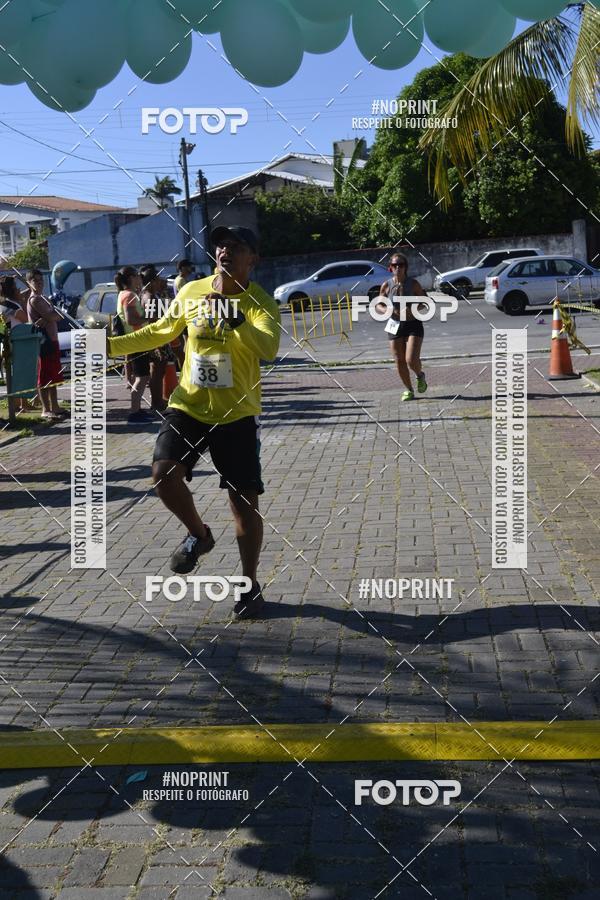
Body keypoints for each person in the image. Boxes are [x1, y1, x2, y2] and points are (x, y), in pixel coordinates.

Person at [107, 226, 281, 619]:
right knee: (162, 474)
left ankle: (249, 585)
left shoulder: (260, 303)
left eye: (235, 246)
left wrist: (232, 315)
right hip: (188, 405)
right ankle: (200, 536)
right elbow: (161, 331)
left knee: (243, 503)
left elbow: (268, 348)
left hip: (236, 413)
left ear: (252, 258)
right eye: (220, 245)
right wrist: (108, 345)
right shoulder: (191, 291)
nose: (225, 251)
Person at [377, 253, 428, 401]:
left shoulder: (413, 284)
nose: (398, 267)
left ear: (406, 267)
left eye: (401, 265)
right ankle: (409, 390)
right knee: (399, 360)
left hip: (413, 324)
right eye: (394, 265)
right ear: (390, 268)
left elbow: (426, 302)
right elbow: (378, 304)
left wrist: (413, 309)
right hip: (395, 324)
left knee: (410, 360)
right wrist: (388, 310)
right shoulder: (386, 285)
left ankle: (420, 375)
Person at [26, 269, 65, 420]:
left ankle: (55, 406)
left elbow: (57, 315)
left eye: (41, 280)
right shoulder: (35, 299)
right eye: (35, 281)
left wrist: (52, 316)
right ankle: (46, 408)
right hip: (44, 341)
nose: (39, 283)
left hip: (52, 340)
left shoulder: (43, 298)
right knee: (44, 376)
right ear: (29, 283)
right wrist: (52, 316)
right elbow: (54, 315)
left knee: (53, 376)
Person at [115, 266, 152, 424]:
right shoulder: (129, 295)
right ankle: (134, 413)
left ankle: (137, 409)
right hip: (136, 341)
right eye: (137, 275)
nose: (139, 277)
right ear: (130, 278)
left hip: (135, 341)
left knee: (142, 376)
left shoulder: (125, 294)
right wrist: (148, 318)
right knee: (142, 377)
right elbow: (130, 320)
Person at [139, 264, 170, 413]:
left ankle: (158, 400)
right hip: (155, 338)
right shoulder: (149, 297)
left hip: (155, 338)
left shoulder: (147, 294)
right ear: (151, 281)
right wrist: (157, 344)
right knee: (157, 371)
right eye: (157, 280)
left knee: (158, 371)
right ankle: (156, 402)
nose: (160, 283)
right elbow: (151, 319)